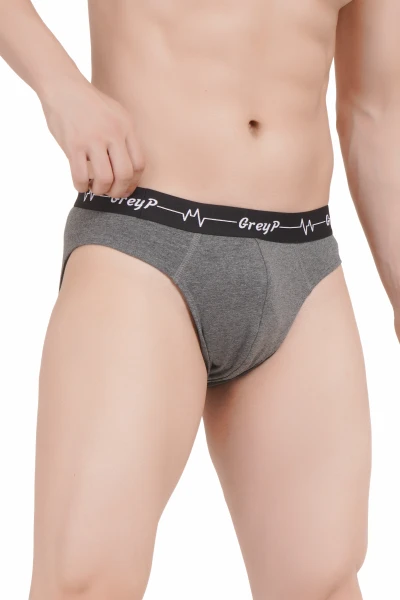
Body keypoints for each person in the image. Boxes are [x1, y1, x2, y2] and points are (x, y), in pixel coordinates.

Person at [1, 0, 398, 598]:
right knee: (84, 582)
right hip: (144, 235)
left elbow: (375, 114)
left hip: (304, 258)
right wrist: (62, 89)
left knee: (321, 585)